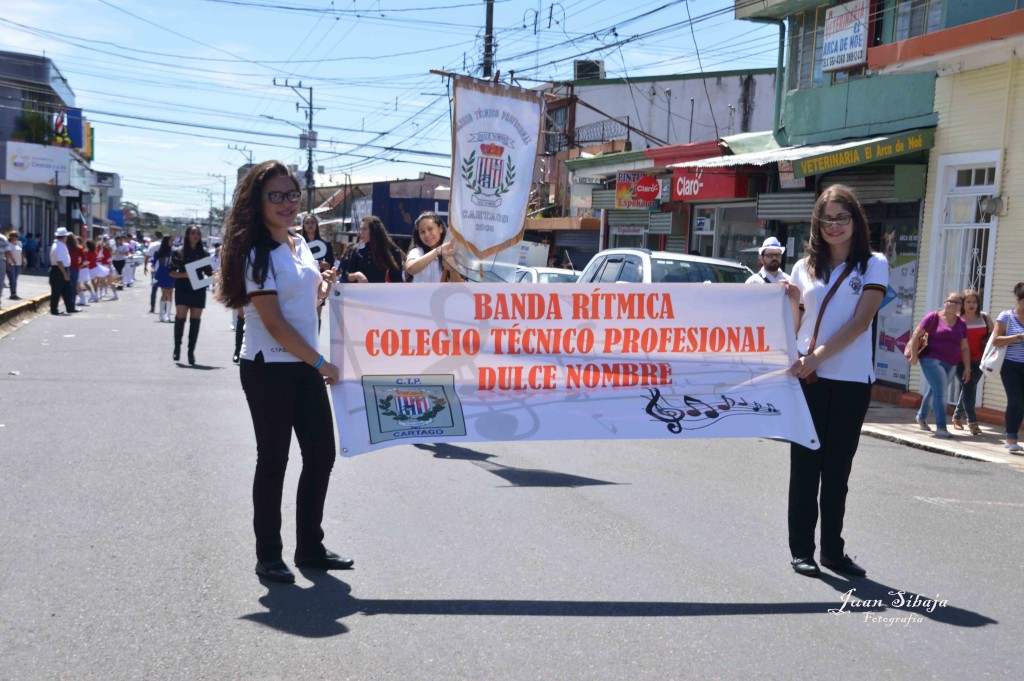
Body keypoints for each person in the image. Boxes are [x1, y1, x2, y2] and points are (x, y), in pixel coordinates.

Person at [216, 160, 350, 584]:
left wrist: (323, 288)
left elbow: (303, 304)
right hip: (268, 367)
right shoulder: (256, 253)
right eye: (275, 196)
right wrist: (321, 363)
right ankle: (268, 555)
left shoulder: (300, 244)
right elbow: (274, 323)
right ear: (257, 201)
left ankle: (310, 547)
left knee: (321, 455)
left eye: (292, 194)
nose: (286, 203)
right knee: (274, 460)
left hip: (303, 363)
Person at [785, 185, 888, 578]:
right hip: (807, 380)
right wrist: (788, 302)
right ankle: (801, 550)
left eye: (841, 218)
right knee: (804, 467)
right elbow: (798, 325)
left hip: (850, 381)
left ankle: (833, 550)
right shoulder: (803, 267)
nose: (834, 226)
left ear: (855, 220)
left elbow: (861, 323)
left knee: (837, 470)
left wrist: (817, 357)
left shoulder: (873, 264)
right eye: (826, 219)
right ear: (817, 223)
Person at [906, 292, 970, 438]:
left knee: (935, 390)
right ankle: (941, 427)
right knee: (941, 391)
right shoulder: (933, 317)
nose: (953, 305)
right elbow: (916, 335)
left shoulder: (961, 323)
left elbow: (965, 347)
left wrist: (967, 368)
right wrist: (914, 356)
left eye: (957, 302)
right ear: (944, 302)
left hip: (952, 362)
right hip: (931, 359)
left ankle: (921, 416)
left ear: (961, 306)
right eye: (950, 301)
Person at [168, 226, 214, 364]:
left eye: (198, 234)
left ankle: (191, 352)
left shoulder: (204, 254)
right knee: (180, 317)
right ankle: (177, 347)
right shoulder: (178, 252)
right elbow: (171, 272)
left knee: (195, 320)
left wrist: (219, 275)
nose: (196, 236)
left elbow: (209, 273)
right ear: (187, 235)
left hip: (198, 289)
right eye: (193, 233)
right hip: (182, 288)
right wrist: (185, 275)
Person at [951, 289, 992, 435]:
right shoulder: (957, 319)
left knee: (969, 388)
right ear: (962, 304)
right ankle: (972, 422)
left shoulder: (984, 318)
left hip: (980, 360)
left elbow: (993, 337)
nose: (972, 304)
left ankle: (956, 417)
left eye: (975, 302)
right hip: (960, 360)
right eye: (968, 302)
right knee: (969, 388)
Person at [992, 282, 1024, 454]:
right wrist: (1019, 337)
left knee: (1022, 403)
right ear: (1018, 299)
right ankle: (1011, 438)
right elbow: (996, 340)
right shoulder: (1006, 316)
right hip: (1010, 365)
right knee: (1015, 400)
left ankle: (1011, 432)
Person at [340, 215, 403, 284]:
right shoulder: (355, 250)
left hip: (379, 289)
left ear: (374, 231)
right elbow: (346, 274)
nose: (361, 232)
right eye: (360, 229)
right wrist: (356, 275)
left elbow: (397, 279)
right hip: (358, 289)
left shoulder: (390, 250)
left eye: (364, 229)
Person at [404, 211, 463, 283]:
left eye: (430, 229)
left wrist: (452, 269)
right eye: (422, 232)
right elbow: (411, 269)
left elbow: (459, 286)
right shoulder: (417, 251)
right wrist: (438, 250)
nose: (427, 235)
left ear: (440, 228)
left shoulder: (453, 253)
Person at [48, 227, 75, 315]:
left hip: (61, 269)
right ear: (64, 237)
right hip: (59, 270)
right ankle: (54, 310)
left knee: (67, 289)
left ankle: (70, 308)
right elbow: (59, 262)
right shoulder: (59, 246)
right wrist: (65, 274)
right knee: (57, 291)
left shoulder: (59, 245)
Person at [151, 236, 175, 321]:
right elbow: (153, 262)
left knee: (170, 293)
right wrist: (152, 269)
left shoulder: (173, 251)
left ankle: (168, 315)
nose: (172, 242)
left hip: (171, 272)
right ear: (166, 241)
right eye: (170, 240)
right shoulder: (159, 252)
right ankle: (161, 315)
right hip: (162, 272)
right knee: (164, 293)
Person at [143, 232, 164, 313]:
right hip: (165, 270)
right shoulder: (168, 245)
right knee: (165, 290)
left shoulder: (153, 244)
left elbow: (147, 256)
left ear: (155, 236)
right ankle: (164, 308)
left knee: (154, 289)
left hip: (155, 270)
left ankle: (152, 307)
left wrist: (145, 267)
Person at [4, 231, 22, 300]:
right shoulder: (8, 244)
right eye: (15, 236)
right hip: (10, 263)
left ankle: (14, 293)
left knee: (15, 279)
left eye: (17, 236)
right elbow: (7, 253)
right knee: (12, 279)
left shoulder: (19, 243)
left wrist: (23, 260)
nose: (16, 237)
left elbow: (21, 252)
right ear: (11, 236)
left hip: (18, 264)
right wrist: (11, 261)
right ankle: (13, 294)